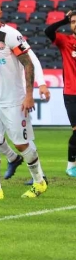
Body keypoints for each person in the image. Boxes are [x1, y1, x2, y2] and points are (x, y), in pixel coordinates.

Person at [0, 0, 46, 199]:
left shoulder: (10, 35)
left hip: (14, 100)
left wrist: (29, 95)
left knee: (22, 145)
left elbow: (28, 64)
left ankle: (39, 181)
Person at [44, 11, 76, 177]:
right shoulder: (66, 41)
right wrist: (64, 20)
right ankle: (71, 166)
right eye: (73, 22)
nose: (75, 24)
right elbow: (48, 31)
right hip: (72, 94)